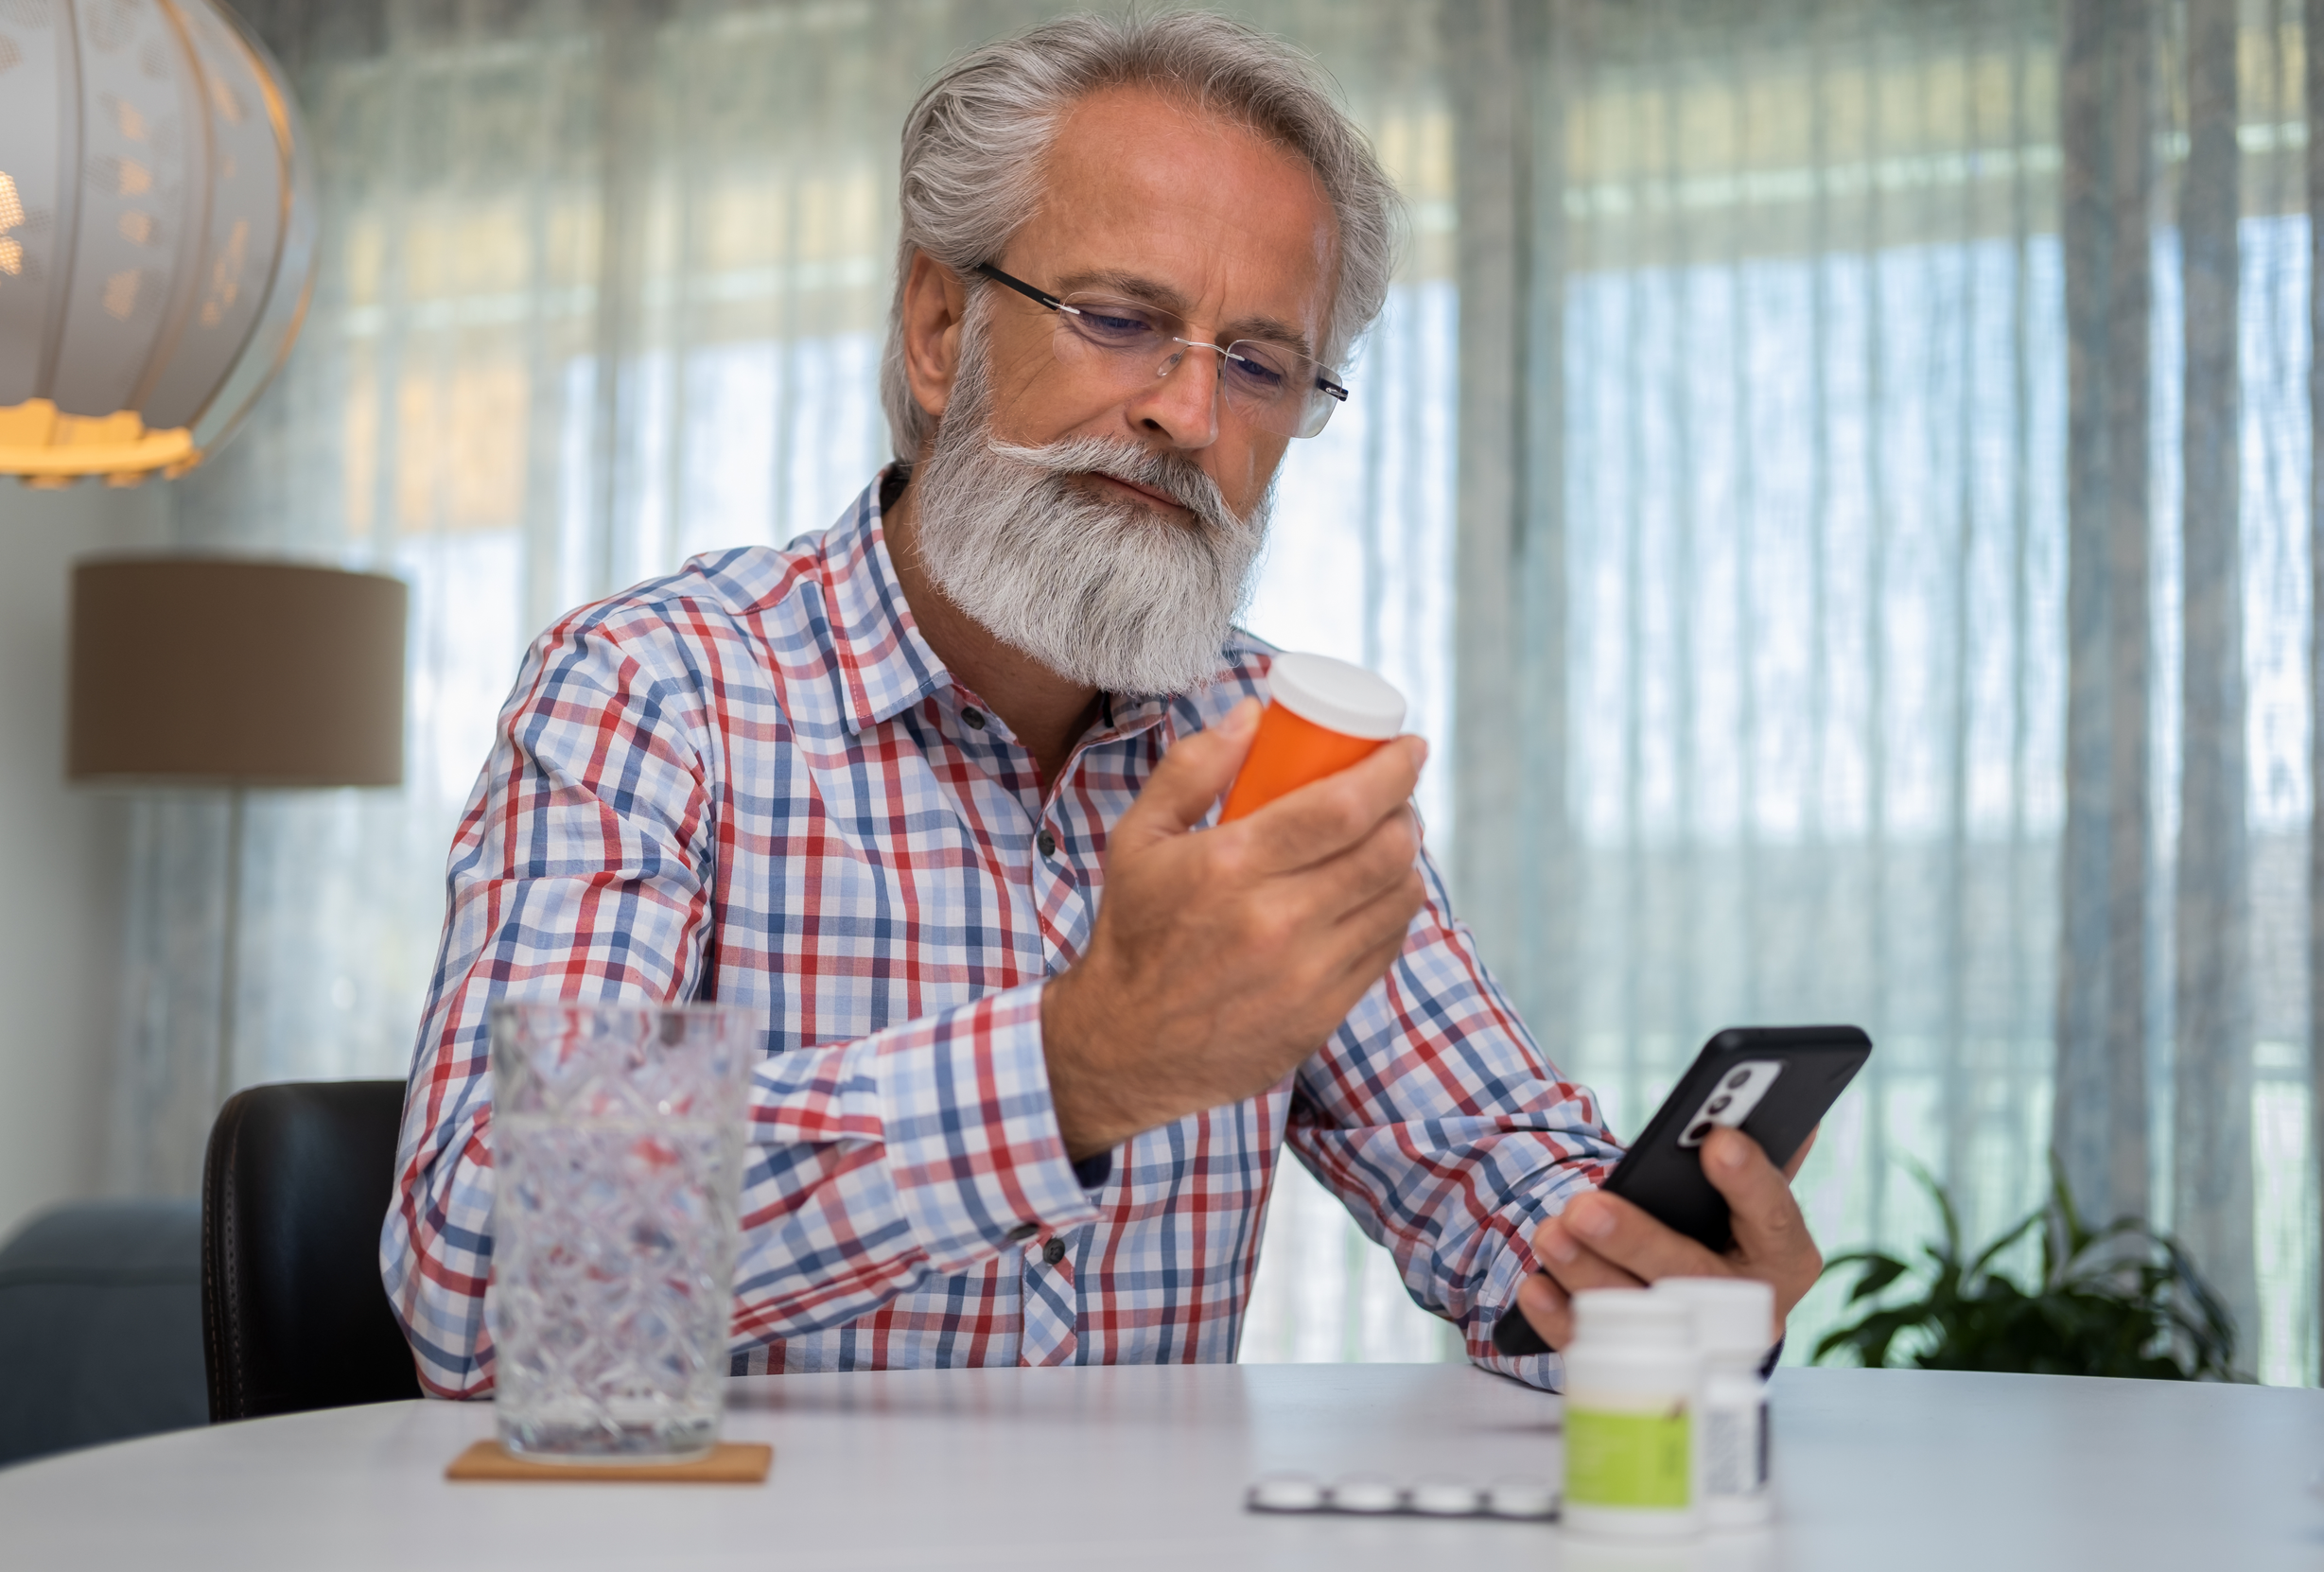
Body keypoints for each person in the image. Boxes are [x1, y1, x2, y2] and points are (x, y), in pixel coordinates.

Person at [380, 9, 1825, 1395]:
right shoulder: (654, 690)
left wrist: (1653, 1281)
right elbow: (483, 1280)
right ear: (942, 331)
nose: (1189, 417)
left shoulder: (1277, 747)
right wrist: (1067, 1072)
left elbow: (1495, 1193)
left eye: (1259, 362)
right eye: (1123, 318)